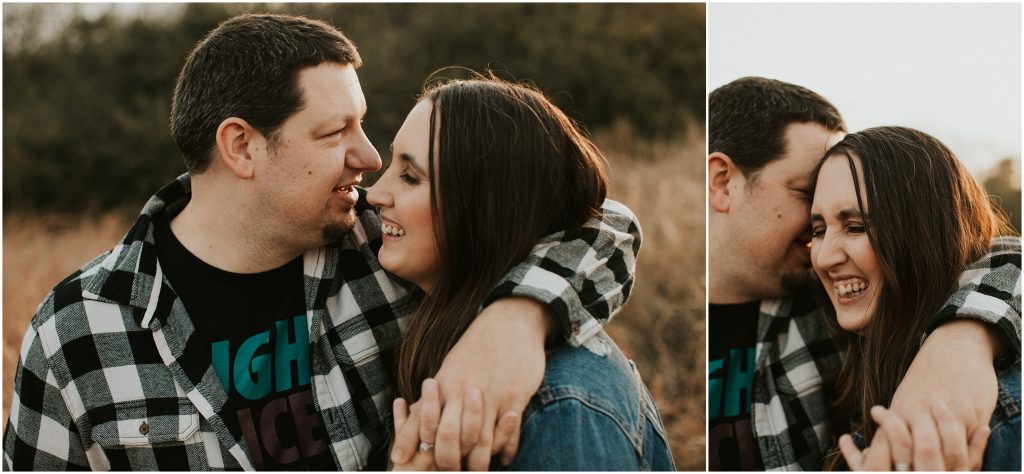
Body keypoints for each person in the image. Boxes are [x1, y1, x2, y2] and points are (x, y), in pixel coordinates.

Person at [2, 14, 642, 471]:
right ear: (241, 146)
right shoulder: (76, 333)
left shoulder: (381, 243)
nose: (369, 157)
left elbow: (586, 219)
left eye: (363, 124)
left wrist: (516, 320)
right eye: (336, 132)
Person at [707, 76, 1020, 470]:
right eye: (810, 203)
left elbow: (994, 253)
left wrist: (963, 340)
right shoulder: (828, 314)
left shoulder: (984, 416)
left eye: (854, 225)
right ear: (722, 182)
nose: (822, 255)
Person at [366, 77, 674, 471]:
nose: (374, 194)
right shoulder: (439, 324)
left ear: (486, 210)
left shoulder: (561, 412)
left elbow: (611, 219)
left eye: (410, 176)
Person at [808, 127, 1021, 471]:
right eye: (818, 231)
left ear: (924, 236)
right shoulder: (830, 358)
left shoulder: (995, 422)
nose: (824, 258)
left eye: (856, 227)